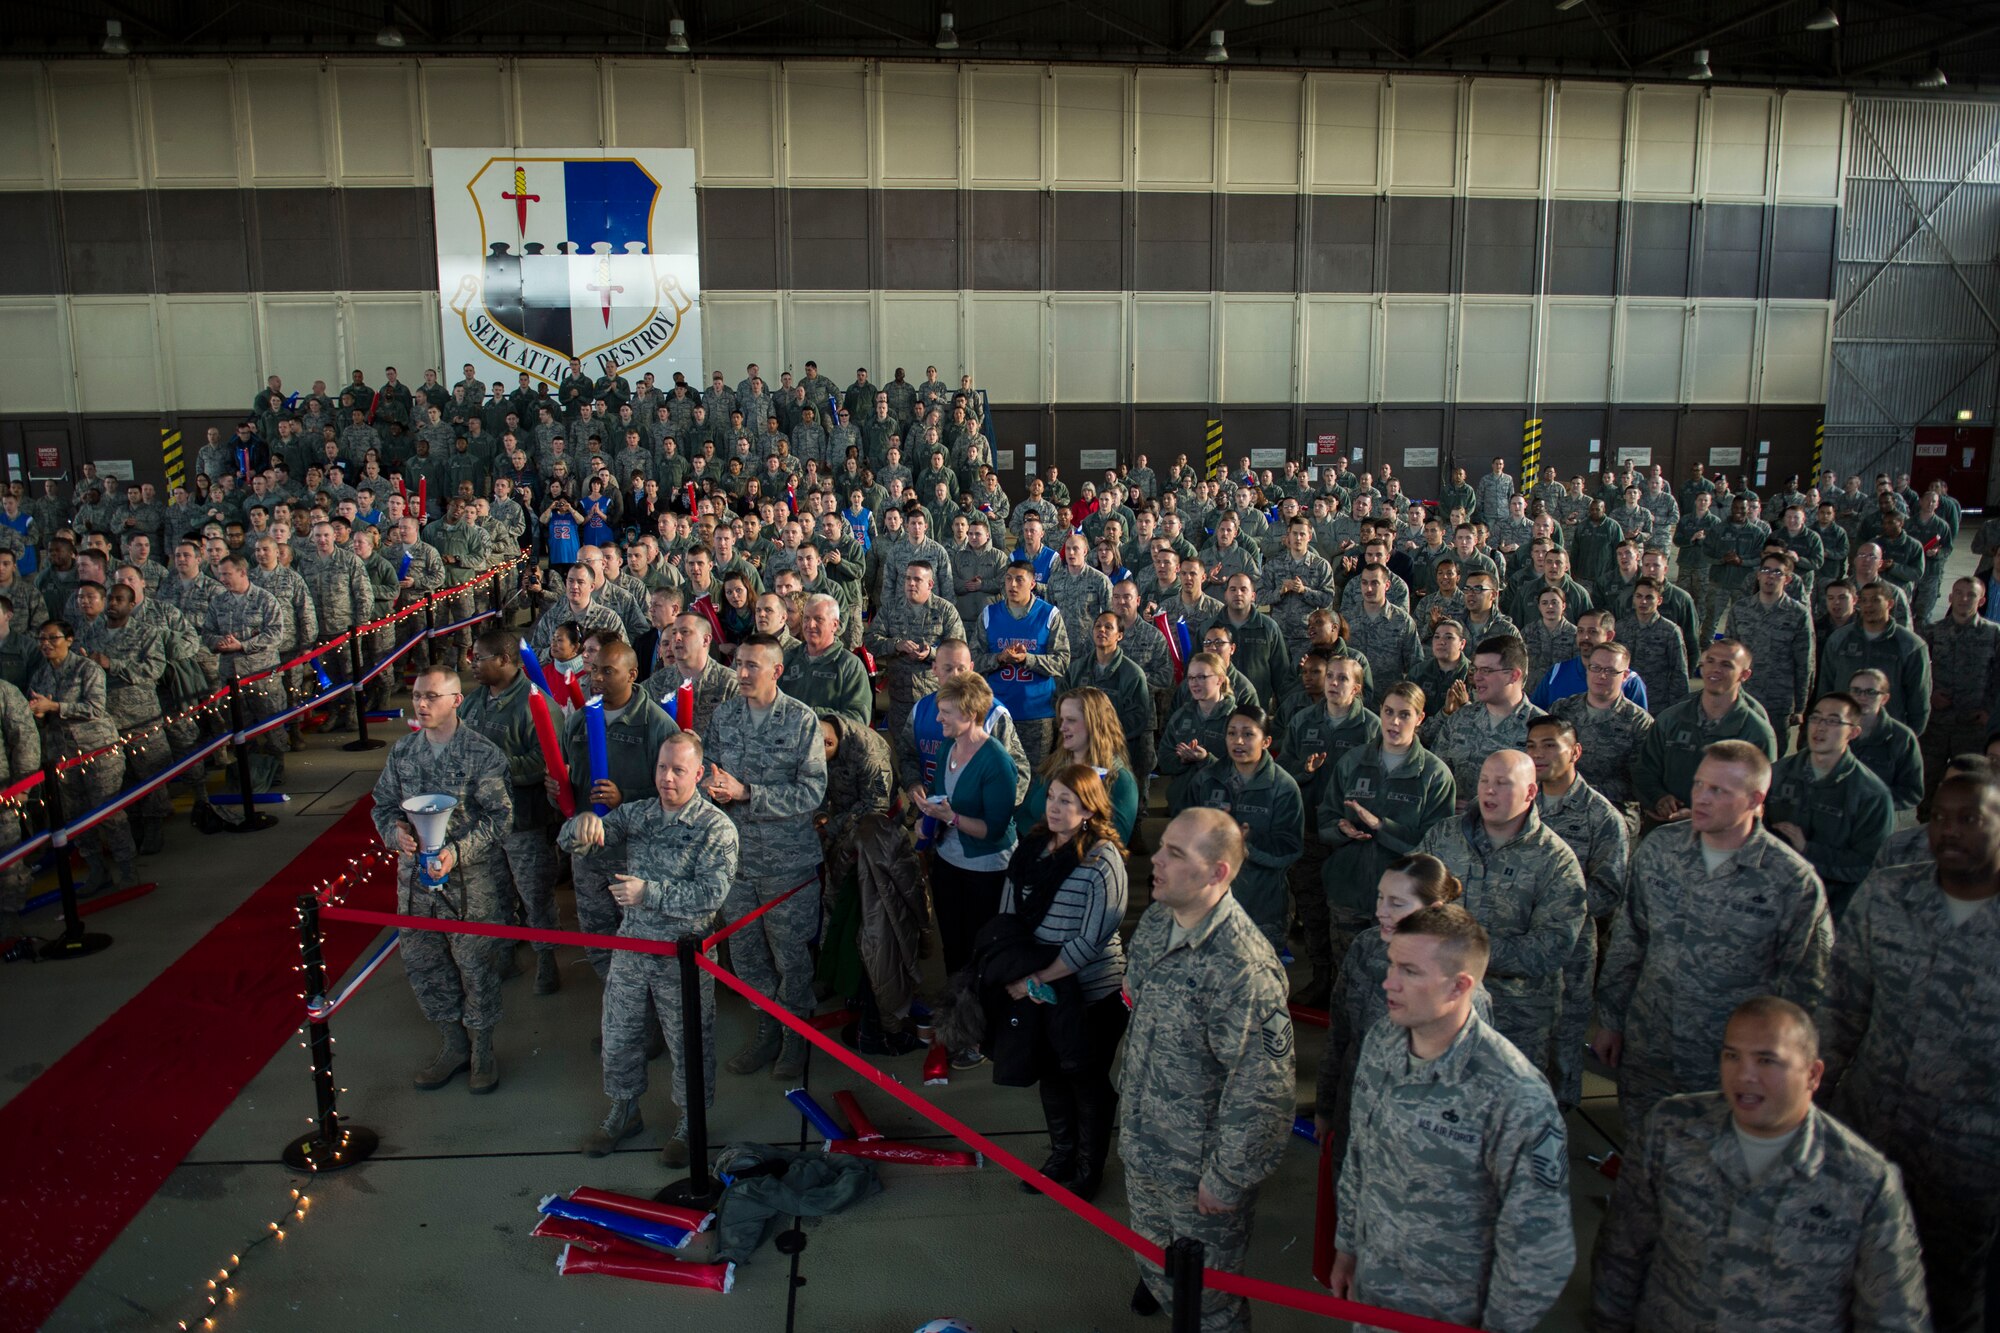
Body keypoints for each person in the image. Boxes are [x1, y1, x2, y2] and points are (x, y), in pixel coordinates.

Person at [1592, 996, 1932, 1333]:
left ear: (1813, 1075)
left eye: (1766, 1060)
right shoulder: (1672, 1131)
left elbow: (1893, 1319)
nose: (1745, 1075)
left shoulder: (1864, 1181)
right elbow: (1622, 1254)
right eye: (1732, 1056)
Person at [1329, 904, 1575, 1331]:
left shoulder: (1514, 1093)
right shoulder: (1384, 1040)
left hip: (1453, 1311)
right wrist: (1348, 1246)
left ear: (1459, 986)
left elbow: (1539, 1245)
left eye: (1410, 971)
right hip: (1373, 1292)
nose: (1388, 982)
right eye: (1391, 965)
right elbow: (1360, 1154)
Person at [1818, 770, 2000, 1332]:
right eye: (1938, 818)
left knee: (1948, 1292)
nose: (1947, 831)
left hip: (1969, 1157)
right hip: (1867, 1129)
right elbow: (1842, 1007)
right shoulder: (1888, 894)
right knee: (1839, 1270)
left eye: (1968, 819)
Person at [1593, 741, 1833, 1132]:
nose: (1701, 798)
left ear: (1756, 799)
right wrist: (1610, 1018)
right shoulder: (1660, 849)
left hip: (1729, 1063)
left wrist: (1781, 1070)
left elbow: (1808, 989)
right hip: (1650, 1045)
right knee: (1643, 1150)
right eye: (1700, 785)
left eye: (1718, 791)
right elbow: (1630, 939)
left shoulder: (1790, 881)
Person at [1118, 809, 1294, 1330]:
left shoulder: (1244, 968)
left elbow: (1265, 1093)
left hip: (1199, 1171)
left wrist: (1226, 1179)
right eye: (1162, 846)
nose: (1157, 859)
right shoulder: (1156, 920)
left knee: (1211, 1303)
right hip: (1145, 1144)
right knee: (1158, 1272)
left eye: (1176, 853)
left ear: (1217, 873)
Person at [568, 732, 739, 1168]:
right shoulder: (639, 814)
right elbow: (587, 839)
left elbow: (711, 896)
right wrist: (581, 825)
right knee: (619, 1034)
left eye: (679, 770)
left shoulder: (716, 829)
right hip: (632, 946)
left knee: (688, 1042)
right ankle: (625, 1111)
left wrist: (649, 893)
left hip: (683, 955)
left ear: (698, 775)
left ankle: (690, 1120)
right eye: (662, 767)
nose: (667, 778)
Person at [370, 664, 515, 1093]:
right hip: (415, 886)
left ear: (456, 700)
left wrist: (457, 852)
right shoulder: (403, 753)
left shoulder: (482, 754)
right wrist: (393, 831)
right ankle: (453, 1044)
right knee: (424, 965)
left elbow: (502, 818)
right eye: (417, 696)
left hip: (469, 885)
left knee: (476, 967)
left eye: (431, 696)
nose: (421, 703)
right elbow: (382, 804)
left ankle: (483, 1049)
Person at [997, 765, 1129, 1203]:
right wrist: (1017, 971)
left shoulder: (1102, 859)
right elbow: (1008, 915)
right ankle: (1061, 1156)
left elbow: (1091, 940)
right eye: (1051, 797)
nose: (1054, 807)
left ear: (1089, 809)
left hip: (1092, 992)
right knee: (1050, 1073)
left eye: (1066, 801)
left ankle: (1089, 1168)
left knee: (1085, 1079)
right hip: (1039, 989)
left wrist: (1035, 978)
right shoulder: (1031, 847)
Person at [1414, 749, 1586, 1080]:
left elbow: (1551, 947)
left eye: (1502, 783)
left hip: (1516, 1017)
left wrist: (1462, 951)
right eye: (1484, 781)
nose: (1489, 790)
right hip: (1442, 1004)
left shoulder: (1555, 860)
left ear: (1531, 792)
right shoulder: (1443, 837)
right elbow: (1411, 894)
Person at [706, 635, 830, 1081]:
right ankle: (768, 1028)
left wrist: (748, 794)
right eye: (738, 664)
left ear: (776, 670)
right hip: (737, 863)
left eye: (751, 666)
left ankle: (796, 1034)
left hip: (787, 865)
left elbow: (812, 791)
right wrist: (711, 788)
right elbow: (709, 769)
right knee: (747, 956)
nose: (740, 673)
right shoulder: (724, 716)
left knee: (791, 957)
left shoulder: (800, 720)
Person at [1316, 680, 1456, 992]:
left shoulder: (1434, 775)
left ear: (1420, 718)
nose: (1393, 722)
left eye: (1404, 715)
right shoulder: (1352, 762)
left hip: (1403, 905)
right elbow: (1325, 816)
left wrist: (1382, 827)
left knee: (1398, 985)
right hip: (1348, 892)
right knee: (1350, 981)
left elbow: (1435, 848)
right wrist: (1341, 829)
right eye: (1388, 712)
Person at [908, 670, 1019, 1062]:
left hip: (986, 869)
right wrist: (929, 811)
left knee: (981, 953)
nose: (939, 721)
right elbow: (944, 796)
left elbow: (993, 829)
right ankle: (958, 1021)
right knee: (954, 947)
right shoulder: (948, 749)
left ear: (971, 713)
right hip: (949, 861)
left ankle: (980, 1034)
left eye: (947, 714)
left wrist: (950, 817)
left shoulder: (997, 762)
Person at [1525, 715, 1629, 1110]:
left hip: (1569, 957)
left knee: (1561, 1056)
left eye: (1550, 745)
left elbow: (1609, 892)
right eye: (1532, 746)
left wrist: (1549, 902)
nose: (1538, 754)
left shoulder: (1602, 818)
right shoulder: (1520, 801)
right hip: (1516, 952)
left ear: (1575, 752)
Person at [458, 630, 561, 995]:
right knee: (496, 892)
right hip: (484, 822)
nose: (473, 663)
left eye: (480, 657)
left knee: (535, 894)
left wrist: (495, 768)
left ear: (504, 659)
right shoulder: (475, 701)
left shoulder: (536, 703)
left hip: (524, 820)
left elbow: (547, 759)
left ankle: (546, 958)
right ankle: (505, 953)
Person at [1185, 705, 1304, 956]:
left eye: (1248, 734)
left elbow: (1289, 848)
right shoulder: (1207, 780)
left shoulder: (1283, 787)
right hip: (1210, 906)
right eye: (1231, 733)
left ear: (1266, 741)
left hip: (1261, 908)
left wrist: (1247, 842)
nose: (1238, 741)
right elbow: (1183, 832)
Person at [27, 617, 133, 893]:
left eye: (53, 638)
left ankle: (127, 869)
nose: (46, 644)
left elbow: (95, 708)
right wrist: (39, 713)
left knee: (107, 811)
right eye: (42, 639)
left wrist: (54, 706)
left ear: (69, 640)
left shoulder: (87, 669)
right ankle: (96, 869)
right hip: (62, 755)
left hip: (97, 750)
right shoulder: (40, 675)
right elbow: (40, 714)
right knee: (76, 816)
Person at [1765, 693, 1896, 917]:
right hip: (1772, 898)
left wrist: (1808, 850)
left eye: (1833, 721)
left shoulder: (1870, 795)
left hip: (1832, 908)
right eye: (1815, 718)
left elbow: (1867, 863)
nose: (1820, 727)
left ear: (1853, 732)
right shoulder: (1776, 774)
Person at [1634, 638, 1779, 829]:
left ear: (1744, 674)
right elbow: (1645, 768)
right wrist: (1658, 798)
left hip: (1723, 836)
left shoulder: (1755, 732)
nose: (1715, 669)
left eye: (1726, 664)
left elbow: (1760, 798)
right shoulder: (1671, 719)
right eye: (1710, 661)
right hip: (1665, 831)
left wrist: (1698, 816)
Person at [972, 559, 1070, 773]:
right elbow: (973, 660)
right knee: (998, 774)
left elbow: (1062, 662)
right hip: (996, 711)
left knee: (1036, 776)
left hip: (1037, 714)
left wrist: (1029, 659)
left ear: (1032, 583)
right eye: (1008, 579)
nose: (1012, 585)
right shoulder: (989, 615)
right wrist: (999, 658)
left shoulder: (1050, 615)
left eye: (1019, 580)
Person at [1014, 687, 1140, 844]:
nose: (1062, 727)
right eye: (1062, 720)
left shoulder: (1120, 779)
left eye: (1071, 720)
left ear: (1095, 723)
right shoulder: (1054, 765)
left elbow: (1115, 841)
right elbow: (1024, 816)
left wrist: (1052, 845)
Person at [1430, 635, 1544, 806]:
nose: (1477, 677)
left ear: (1513, 676)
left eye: (1487, 671)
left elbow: (1545, 794)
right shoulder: (1461, 718)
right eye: (1476, 669)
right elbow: (1437, 774)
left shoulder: (1541, 729)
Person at [1549, 641, 1655, 815]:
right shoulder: (1562, 709)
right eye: (1596, 668)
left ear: (1625, 675)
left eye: (1610, 671)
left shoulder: (1639, 723)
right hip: (1559, 802)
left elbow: (1639, 781)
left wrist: (1583, 792)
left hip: (1613, 808)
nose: (1602, 675)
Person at [1918, 575, 2000, 796]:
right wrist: (1930, 695)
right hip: (1936, 723)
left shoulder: (1994, 633)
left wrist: (1988, 710)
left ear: (1982, 601)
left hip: (1972, 725)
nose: (1964, 598)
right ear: (1950, 597)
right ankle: (1926, 821)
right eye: (1959, 593)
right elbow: (1919, 673)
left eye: (1971, 594)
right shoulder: (1933, 631)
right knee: (1927, 781)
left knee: (1968, 784)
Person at [1817, 582, 1932, 737]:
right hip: (1842, 731)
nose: (1868, 605)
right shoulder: (1839, 639)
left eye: (1875, 600)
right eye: (1864, 600)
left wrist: (1907, 737)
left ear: (1890, 603)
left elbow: (1919, 698)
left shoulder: (1910, 646)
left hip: (1886, 734)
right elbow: (1826, 685)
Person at [864, 559, 964, 734]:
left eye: (917, 579)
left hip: (935, 698)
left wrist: (932, 653)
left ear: (930, 584)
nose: (911, 583)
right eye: (907, 578)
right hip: (899, 699)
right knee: (902, 754)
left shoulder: (945, 611)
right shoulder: (890, 609)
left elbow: (958, 651)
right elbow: (870, 640)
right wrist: (895, 645)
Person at [1156, 649, 1238, 815]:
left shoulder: (1236, 720)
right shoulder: (1181, 716)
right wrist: (1182, 760)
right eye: (1191, 678)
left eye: (1201, 677)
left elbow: (1241, 768)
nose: (1194, 683)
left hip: (1221, 808)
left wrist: (1206, 760)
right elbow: (1163, 760)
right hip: (1183, 806)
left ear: (1220, 679)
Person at [782, 593, 872, 728]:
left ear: (834, 625)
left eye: (818, 619)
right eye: (806, 618)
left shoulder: (849, 665)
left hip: (828, 745)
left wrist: (812, 715)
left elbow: (858, 717)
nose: (810, 625)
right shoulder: (788, 659)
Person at [1847, 666, 1926, 811]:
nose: (1862, 697)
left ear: (1884, 698)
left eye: (1871, 692)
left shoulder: (1902, 738)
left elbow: (1911, 793)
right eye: (1856, 691)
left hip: (1877, 820)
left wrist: (1874, 805)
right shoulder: (1834, 729)